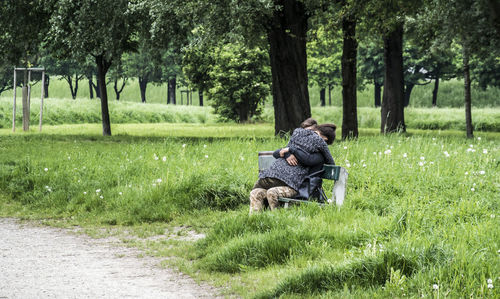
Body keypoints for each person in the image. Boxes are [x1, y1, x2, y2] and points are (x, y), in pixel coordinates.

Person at [249, 121, 336, 213]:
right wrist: (287, 154)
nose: (308, 137)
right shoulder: (300, 145)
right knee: (255, 192)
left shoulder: (317, 155)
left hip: (295, 186)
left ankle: (276, 219)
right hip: (283, 180)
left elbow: (308, 159)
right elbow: (277, 152)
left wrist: (292, 150)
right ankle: (254, 219)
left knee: (271, 192)